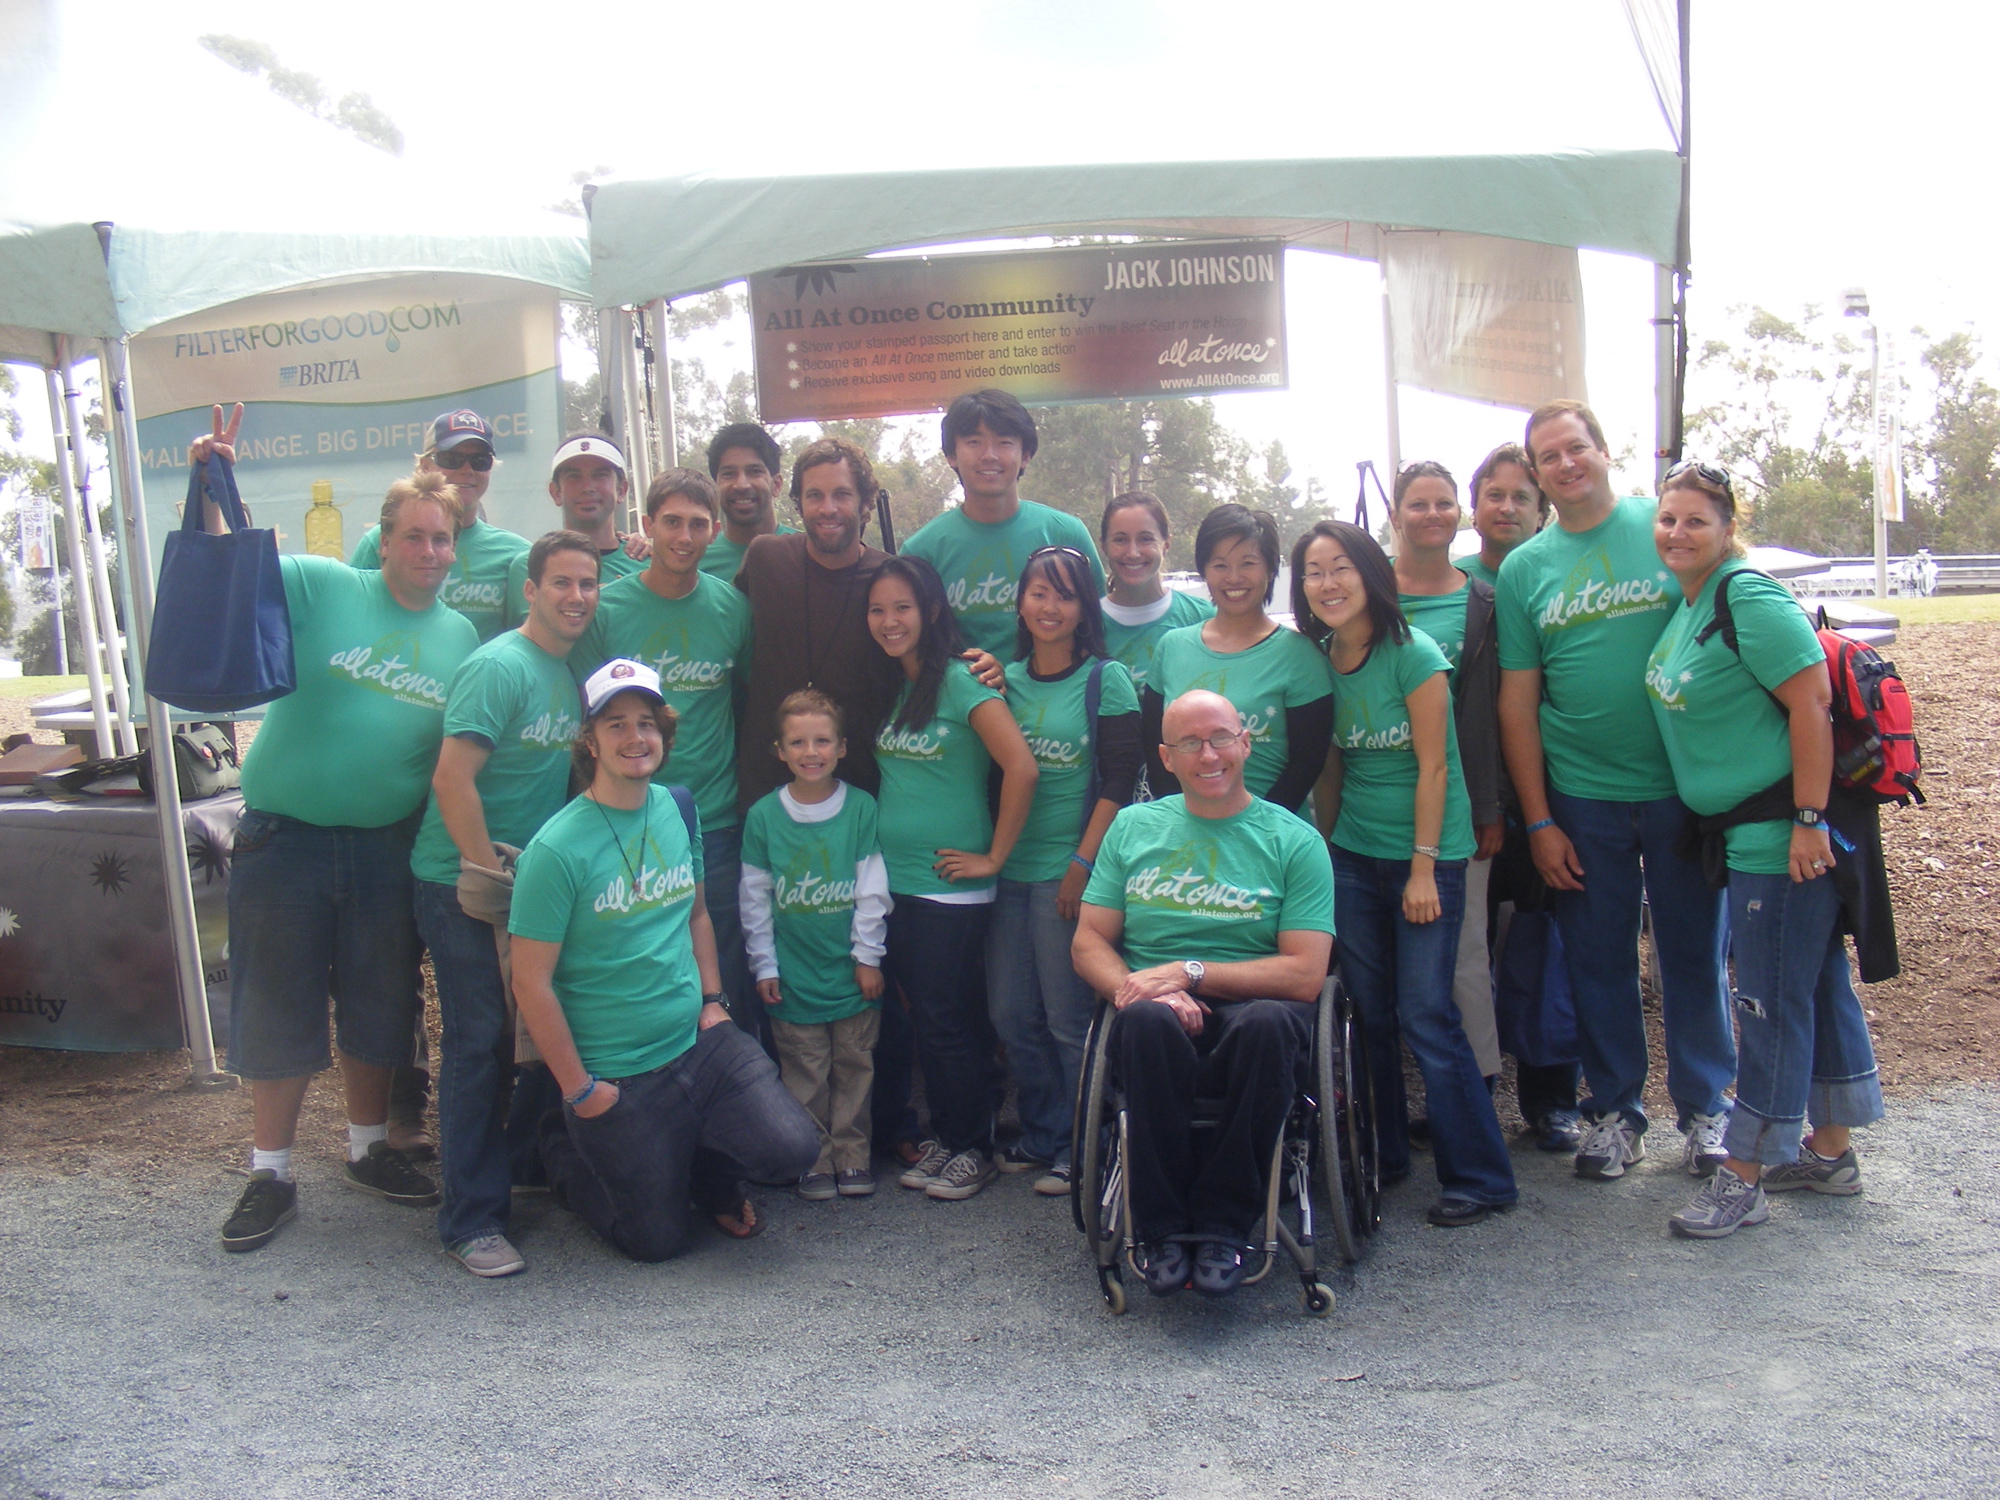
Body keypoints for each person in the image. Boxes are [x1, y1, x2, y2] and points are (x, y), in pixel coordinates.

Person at [191, 406, 480, 1254]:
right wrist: (211, 483)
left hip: (385, 847)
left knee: (379, 1002)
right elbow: (226, 570)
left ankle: (366, 1150)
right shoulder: (325, 586)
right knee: (277, 1005)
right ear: (383, 541)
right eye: (415, 536)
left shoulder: (461, 636)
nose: (429, 551)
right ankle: (270, 1173)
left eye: (442, 539)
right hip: (284, 841)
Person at [1496, 400, 1734, 1181]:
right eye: (1549, 456)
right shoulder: (1527, 569)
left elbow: (1727, 622)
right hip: (1581, 795)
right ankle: (1615, 1113)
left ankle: (1708, 1109)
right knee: (1597, 961)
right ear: (1537, 473)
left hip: (1682, 787)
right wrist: (1539, 821)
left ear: (1603, 450)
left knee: (1693, 953)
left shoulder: (1661, 529)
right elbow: (1518, 702)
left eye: (1577, 448)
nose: (1566, 464)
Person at [509, 660, 819, 1261]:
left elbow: (697, 914)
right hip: (617, 1073)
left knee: (792, 1150)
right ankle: (563, 1149)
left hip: (696, 1042)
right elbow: (531, 983)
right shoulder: (555, 849)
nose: (635, 737)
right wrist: (580, 1089)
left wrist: (713, 1001)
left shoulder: (678, 808)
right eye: (616, 724)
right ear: (590, 741)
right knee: (654, 1241)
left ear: (664, 734)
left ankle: (704, 1173)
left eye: (647, 723)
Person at [1644, 463, 1884, 1238]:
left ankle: (1745, 1173)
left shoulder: (1747, 596)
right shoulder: (1696, 600)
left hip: (1782, 835)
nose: (1677, 532)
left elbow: (1811, 703)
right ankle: (1831, 1152)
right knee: (1812, 983)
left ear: (1728, 527)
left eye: (1695, 520)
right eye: (1668, 519)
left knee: (1767, 1002)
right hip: (1752, 832)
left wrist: (1808, 819)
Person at [1071, 691, 1334, 1299]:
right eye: (1189, 743)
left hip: (1254, 1010)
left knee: (1268, 1025)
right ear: (1166, 757)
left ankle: (1223, 1224)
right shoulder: (1133, 828)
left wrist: (1189, 973)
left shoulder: (1295, 841)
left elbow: (1305, 975)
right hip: (1156, 1015)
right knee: (1142, 1024)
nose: (1208, 755)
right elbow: (1088, 942)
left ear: (1246, 743)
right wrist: (1138, 990)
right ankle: (1160, 1228)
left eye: (1220, 738)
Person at [1295, 520, 1517, 1227]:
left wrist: (1423, 869)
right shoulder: (1321, 659)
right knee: (1370, 1012)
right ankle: (1383, 1153)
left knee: (1426, 1014)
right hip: (1355, 857)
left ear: (1370, 573)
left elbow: (1436, 767)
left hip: (1428, 858)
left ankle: (1481, 1177)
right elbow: (1331, 770)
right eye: (1313, 572)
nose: (1327, 583)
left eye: (1341, 567)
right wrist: (1327, 854)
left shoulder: (1414, 655)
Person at [407, 529, 598, 1277]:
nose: (576, 597)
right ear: (531, 590)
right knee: (480, 1042)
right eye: (562, 583)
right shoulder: (500, 666)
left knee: (534, 1033)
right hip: (460, 883)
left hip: (525, 886)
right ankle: (471, 1220)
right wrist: (487, 874)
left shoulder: (562, 672)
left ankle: (515, 1167)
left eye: (587, 584)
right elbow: (451, 779)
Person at [867, 555, 1039, 1202]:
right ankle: (951, 1132)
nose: (889, 621)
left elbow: (1022, 768)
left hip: (952, 885)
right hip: (898, 881)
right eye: (878, 609)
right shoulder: (897, 684)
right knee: (933, 1017)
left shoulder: (965, 681)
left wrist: (993, 857)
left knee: (945, 1018)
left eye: (902, 608)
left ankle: (972, 1147)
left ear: (932, 610)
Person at [574, 468, 757, 1036]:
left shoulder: (733, 609)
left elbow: (745, 696)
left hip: (713, 818)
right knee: (639, 953)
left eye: (698, 524)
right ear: (647, 524)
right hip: (628, 817)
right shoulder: (609, 610)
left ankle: (730, 1073)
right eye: (672, 522)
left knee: (723, 962)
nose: (684, 536)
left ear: (715, 530)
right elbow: (584, 716)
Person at [987, 546, 1143, 1196]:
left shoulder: (1106, 679)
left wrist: (1083, 862)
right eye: (1038, 592)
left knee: (1068, 1019)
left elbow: (1119, 779)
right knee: (1010, 1015)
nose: (1049, 607)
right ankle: (1045, 1131)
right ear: (1020, 602)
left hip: (1067, 871)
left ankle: (1086, 1143)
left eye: (1065, 595)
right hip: (1005, 872)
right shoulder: (1001, 681)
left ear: (1085, 609)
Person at [1467, 442, 1582, 1149]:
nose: (1507, 507)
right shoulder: (1453, 584)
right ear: (1474, 505)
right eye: (1495, 494)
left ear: (1542, 509)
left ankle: (1551, 1098)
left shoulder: (1558, 579)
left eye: (1522, 497)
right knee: (1468, 956)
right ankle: (1470, 1094)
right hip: (1471, 800)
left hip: (1551, 790)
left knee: (1546, 945)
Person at [739, 691, 893, 1200]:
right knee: (804, 1073)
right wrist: (764, 965)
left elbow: (872, 890)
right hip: (794, 975)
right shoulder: (764, 816)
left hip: (851, 974)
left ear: (842, 747)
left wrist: (867, 956)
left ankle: (853, 1157)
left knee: (854, 1068)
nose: (811, 752)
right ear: (780, 751)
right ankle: (814, 1159)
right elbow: (754, 897)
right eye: (798, 742)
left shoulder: (860, 808)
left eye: (823, 741)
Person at [1389, 461, 1504, 1097]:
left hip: (1456, 801)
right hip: (1374, 803)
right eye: (1418, 504)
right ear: (1396, 515)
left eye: (1443, 503)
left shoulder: (1483, 601)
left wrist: (1489, 805)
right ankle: (1386, 1093)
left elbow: (1490, 713)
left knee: (1463, 950)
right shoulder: (1367, 589)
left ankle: (1473, 1088)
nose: (1432, 515)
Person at [733, 436, 903, 810]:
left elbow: (927, 660)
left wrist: (980, 665)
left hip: (857, 798)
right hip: (765, 795)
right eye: (815, 496)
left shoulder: (889, 579)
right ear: (798, 501)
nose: (828, 508)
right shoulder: (765, 558)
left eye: (841, 495)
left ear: (865, 503)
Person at [1144, 504, 1332, 815]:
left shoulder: (1300, 654)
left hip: (1272, 831)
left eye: (1248, 563)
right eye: (1220, 565)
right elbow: (1156, 753)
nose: (1234, 577)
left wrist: (1251, 828)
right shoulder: (1171, 647)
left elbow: (1307, 762)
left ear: (1270, 568)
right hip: (1187, 831)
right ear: (1204, 570)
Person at [902, 387, 1105, 658]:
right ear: (951, 455)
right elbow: (914, 649)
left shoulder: (1066, 534)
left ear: (1025, 456)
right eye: (974, 442)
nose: (989, 455)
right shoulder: (922, 550)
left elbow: (1100, 625)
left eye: (1004, 442)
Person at [349, 409, 528, 644]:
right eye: (452, 459)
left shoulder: (517, 554)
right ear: (425, 466)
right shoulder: (382, 541)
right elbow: (348, 619)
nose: (467, 470)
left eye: (480, 461)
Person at [503, 434, 647, 628]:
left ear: (621, 490)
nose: (587, 487)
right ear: (556, 492)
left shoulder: (646, 564)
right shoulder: (527, 566)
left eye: (600, 475)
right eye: (574, 476)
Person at [1098, 490, 1213, 697]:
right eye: (1120, 540)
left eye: (1145, 539)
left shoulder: (1203, 618)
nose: (1133, 552)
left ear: (1166, 544)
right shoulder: (1085, 624)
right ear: (1103, 546)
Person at [701, 422, 796, 582]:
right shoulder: (696, 562)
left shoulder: (807, 552)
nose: (741, 485)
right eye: (729, 474)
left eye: (754, 472)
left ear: (777, 485)